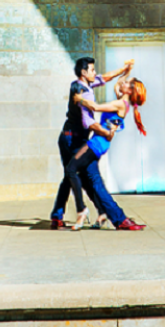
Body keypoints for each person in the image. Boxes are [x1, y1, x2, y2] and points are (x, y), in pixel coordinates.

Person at [50, 57, 145, 231]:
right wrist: (126, 71)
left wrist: (106, 131)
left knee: (82, 176)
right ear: (84, 73)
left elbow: (94, 110)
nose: (97, 73)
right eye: (93, 70)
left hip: (87, 141)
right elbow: (111, 82)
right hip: (75, 139)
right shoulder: (83, 88)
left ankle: (109, 215)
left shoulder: (88, 90)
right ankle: (110, 215)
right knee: (78, 176)